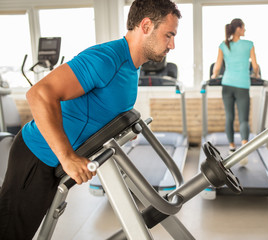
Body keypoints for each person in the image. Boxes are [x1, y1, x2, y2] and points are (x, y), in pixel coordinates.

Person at [0, 0, 181, 239]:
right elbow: (39, 94)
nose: (173, 44)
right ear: (146, 25)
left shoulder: (131, 66)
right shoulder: (107, 58)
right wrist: (67, 157)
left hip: (52, 161)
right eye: (168, 35)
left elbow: (98, 106)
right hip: (37, 156)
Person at [211, 18, 260, 166]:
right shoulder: (249, 44)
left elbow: (217, 67)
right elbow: (255, 66)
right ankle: (244, 148)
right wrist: (256, 75)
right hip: (243, 85)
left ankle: (232, 147)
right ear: (238, 28)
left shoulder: (223, 45)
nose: (245, 30)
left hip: (227, 84)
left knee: (229, 117)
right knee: (244, 119)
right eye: (244, 28)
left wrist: (214, 76)